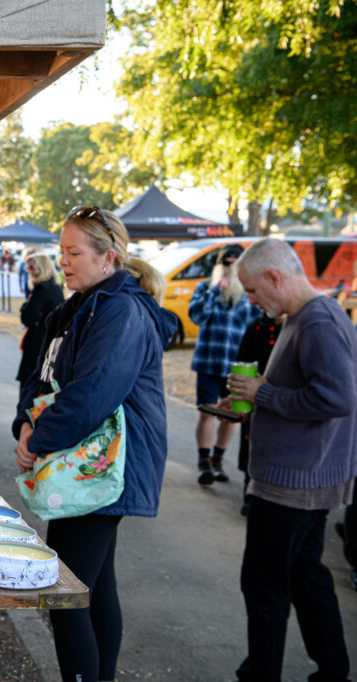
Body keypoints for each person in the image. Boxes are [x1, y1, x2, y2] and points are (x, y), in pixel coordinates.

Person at [13, 206, 176, 682]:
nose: (64, 261)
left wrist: (39, 440)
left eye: (74, 252)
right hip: (80, 464)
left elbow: (93, 392)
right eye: (61, 252)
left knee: (65, 593)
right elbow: (37, 376)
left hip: (103, 468)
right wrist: (25, 424)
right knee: (94, 586)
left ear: (108, 259)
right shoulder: (74, 306)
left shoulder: (121, 310)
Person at [221, 237, 356, 682]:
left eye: (255, 291)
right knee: (307, 579)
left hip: (294, 482)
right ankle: (333, 671)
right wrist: (258, 398)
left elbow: (336, 397)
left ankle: (260, 674)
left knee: (265, 586)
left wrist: (264, 393)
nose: (254, 302)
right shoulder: (310, 317)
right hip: (303, 477)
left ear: (275, 277)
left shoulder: (316, 321)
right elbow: (310, 393)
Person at [189, 244, 260, 485]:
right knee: (208, 411)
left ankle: (218, 458)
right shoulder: (204, 288)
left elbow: (255, 325)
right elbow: (196, 316)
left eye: (234, 263)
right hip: (209, 361)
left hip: (235, 365)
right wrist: (214, 293)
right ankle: (204, 461)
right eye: (226, 263)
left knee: (230, 415)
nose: (230, 268)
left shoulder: (247, 294)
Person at [234, 312, 284, 516]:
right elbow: (242, 360)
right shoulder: (255, 327)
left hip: (277, 399)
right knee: (249, 442)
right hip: (252, 397)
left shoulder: (291, 330)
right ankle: (249, 494)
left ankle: (266, 493)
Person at [16, 251, 65, 385]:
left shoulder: (41, 289)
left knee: (29, 385)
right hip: (51, 341)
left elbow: (28, 318)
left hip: (38, 342)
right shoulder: (56, 287)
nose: (29, 271)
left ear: (42, 268)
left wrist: (25, 307)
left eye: (32, 267)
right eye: (28, 267)